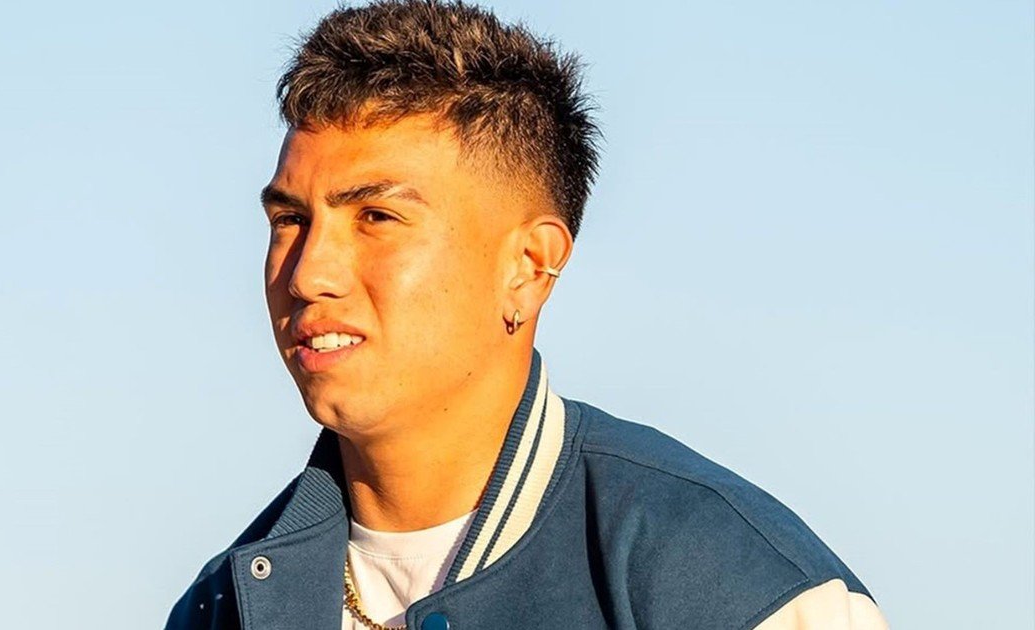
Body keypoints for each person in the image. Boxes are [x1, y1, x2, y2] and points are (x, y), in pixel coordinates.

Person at [166, 1, 890, 628]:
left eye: (376, 217)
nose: (308, 274)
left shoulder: (727, 580)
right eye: (290, 220)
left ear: (530, 267)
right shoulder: (224, 604)